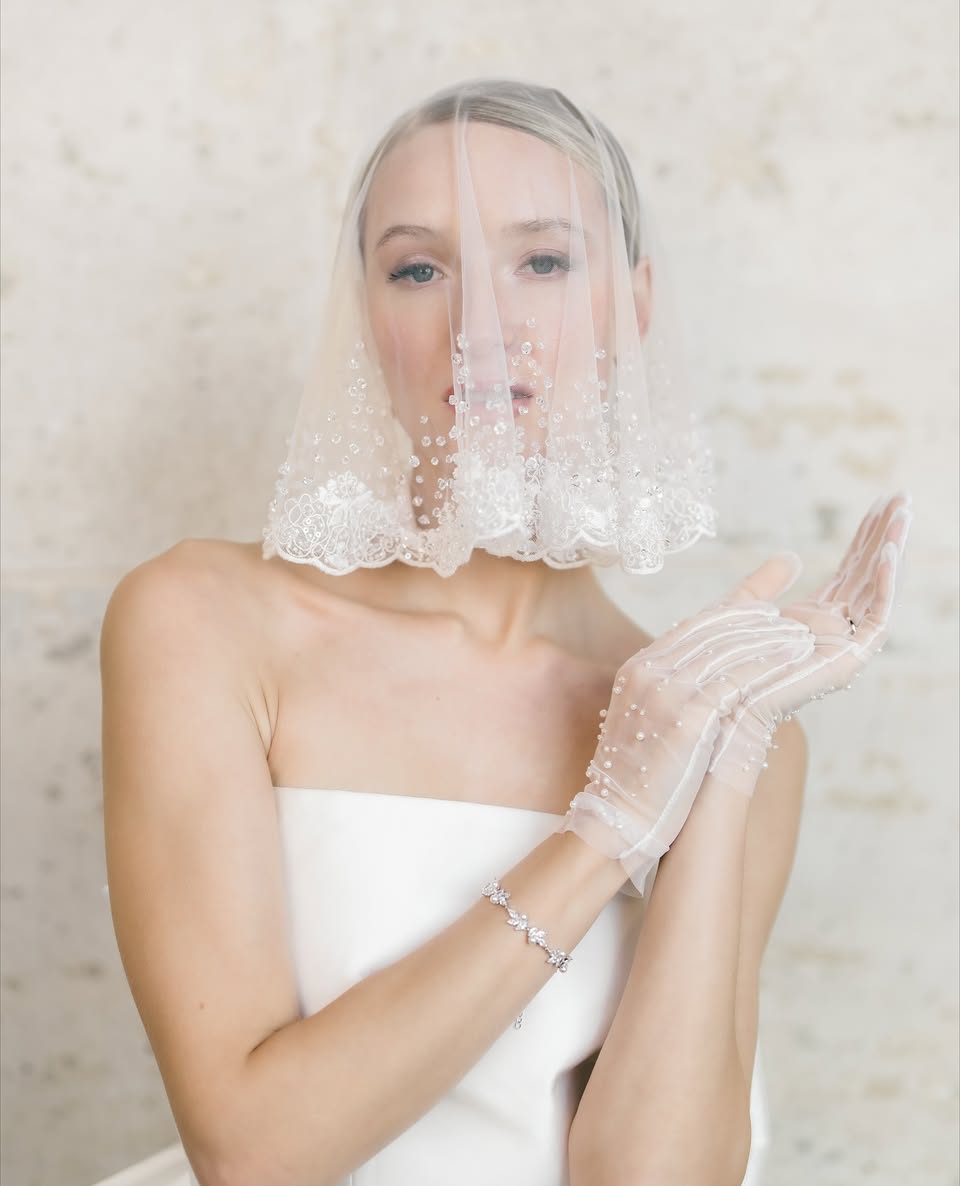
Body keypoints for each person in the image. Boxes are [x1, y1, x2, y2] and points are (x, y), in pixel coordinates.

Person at [100, 80, 911, 1186]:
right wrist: (607, 829)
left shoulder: (718, 726)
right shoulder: (204, 623)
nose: (480, 327)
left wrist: (716, 767)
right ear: (366, 317)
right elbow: (253, 1154)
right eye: (418, 270)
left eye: (542, 261)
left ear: (634, 306)